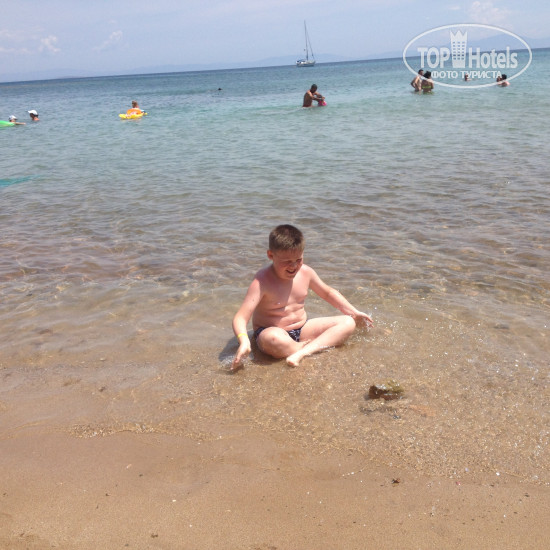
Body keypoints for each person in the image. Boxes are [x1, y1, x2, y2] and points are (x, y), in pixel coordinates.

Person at [231, 224, 373, 369]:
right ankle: (308, 347)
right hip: (272, 332)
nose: (293, 266)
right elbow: (240, 318)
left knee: (348, 323)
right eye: (287, 261)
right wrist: (244, 341)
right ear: (271, 255)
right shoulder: (262, 281)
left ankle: (302, 351)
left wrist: (353, 312)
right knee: (273, 339)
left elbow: (327, 293)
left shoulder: (306, 273)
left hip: (303, 329)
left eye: (298, 260)